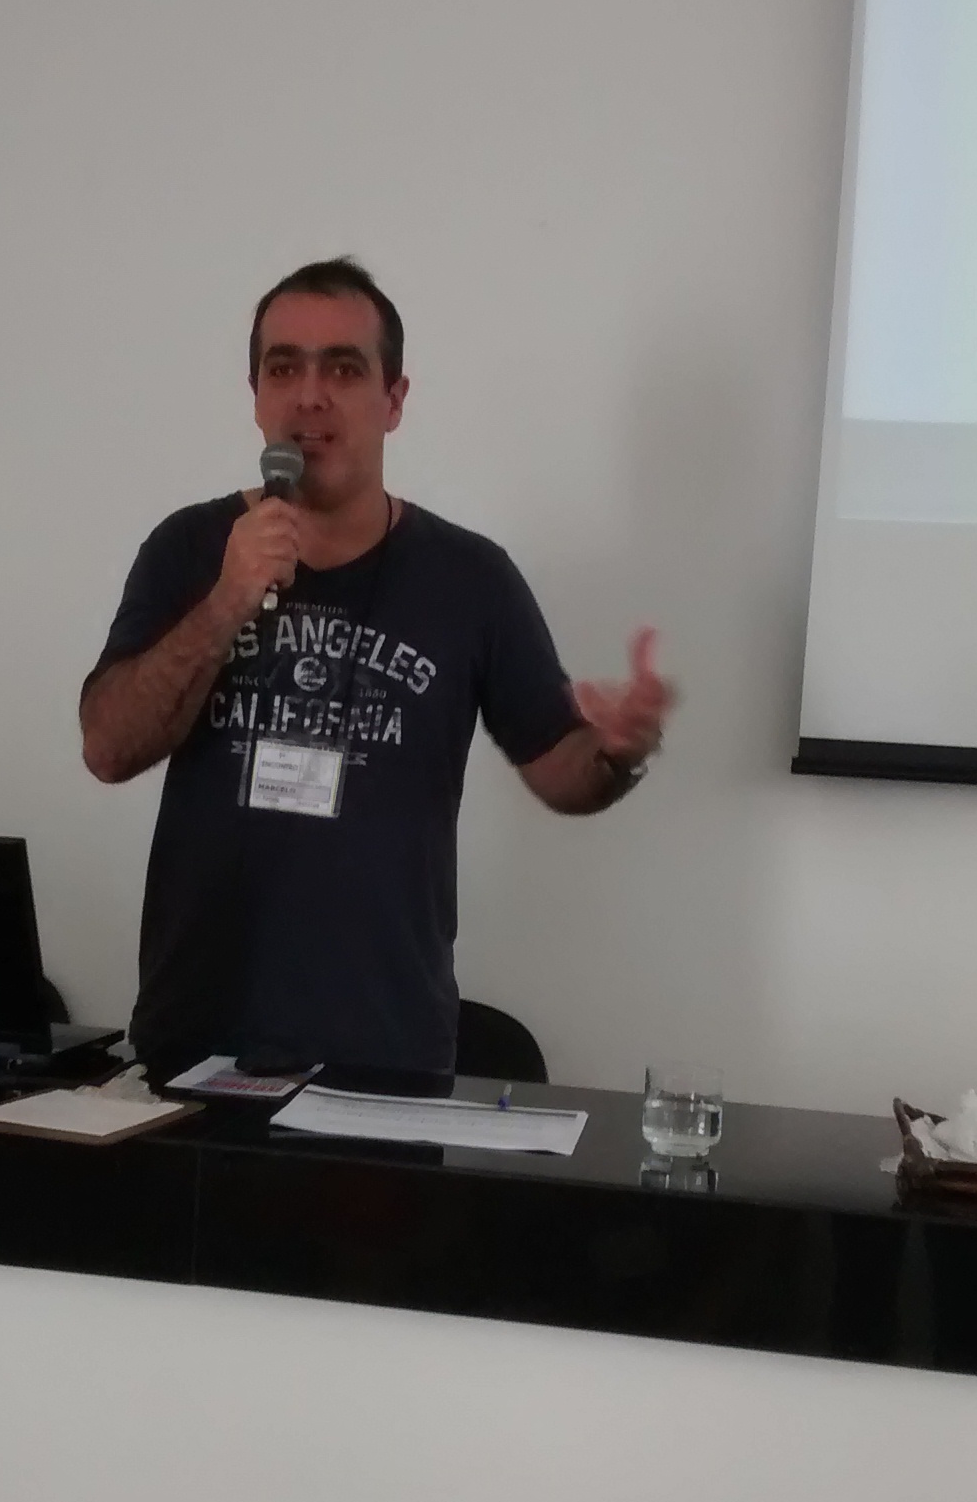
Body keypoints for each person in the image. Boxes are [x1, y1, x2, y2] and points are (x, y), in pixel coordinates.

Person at [80, 257, 674, 1081]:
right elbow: (108, 748)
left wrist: (618, 750)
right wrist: (225, 601)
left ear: (394, 400)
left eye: (343, 369)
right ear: (254, 394)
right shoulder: (188, 550)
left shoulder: (470, 578)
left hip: (385, 1054)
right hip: (196, 1045)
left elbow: (563, 773)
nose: (309, 396)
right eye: (283, 368)